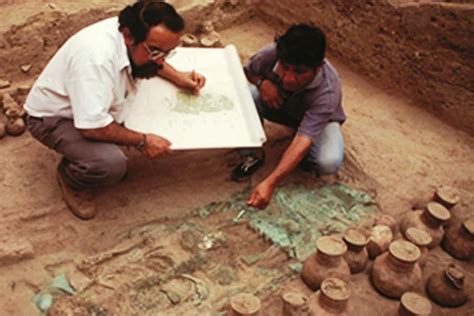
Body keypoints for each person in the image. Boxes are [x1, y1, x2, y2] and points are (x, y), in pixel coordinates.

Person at [24, 1, 205, 220]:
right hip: (55, 118)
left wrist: (179, 77)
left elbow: (154, 57)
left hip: (94, 106)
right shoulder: (95, 61)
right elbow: (92, 128)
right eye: (155, 51)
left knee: (154, 97)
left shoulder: (133, 31)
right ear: (128, 37)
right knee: (110, 164)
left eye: (167, 53)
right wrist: (142, 140)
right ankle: (72, 177)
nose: (160, 60)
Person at [231, 24, 346, 209]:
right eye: (285, 67)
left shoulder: (328, 92)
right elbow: (248, 71)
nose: (288, 78)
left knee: (328, 162)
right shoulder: (272, 53)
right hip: (280, 106)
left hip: (316, 120)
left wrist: (270, 182)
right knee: (245, 96)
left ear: (318, 68)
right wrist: (262, 83)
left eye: (299, 72)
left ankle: (305, 158)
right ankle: (252, 154)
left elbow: (303, 139)